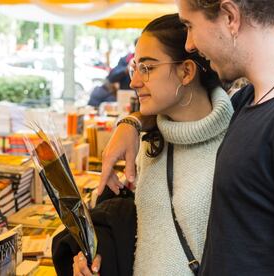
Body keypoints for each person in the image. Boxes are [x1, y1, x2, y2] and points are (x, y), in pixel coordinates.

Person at [99, 1, 274, 275]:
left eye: (190, 25)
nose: (189, 44)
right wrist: (130, 123)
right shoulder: (250, 101)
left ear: (230, 16)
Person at [73, 13, 234, 275]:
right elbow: (146, 236)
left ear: (186, 71)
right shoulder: (150, 141)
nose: (135, 81)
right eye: (134, 68)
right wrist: (96, 256)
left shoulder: (236, 143)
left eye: (147, 68)